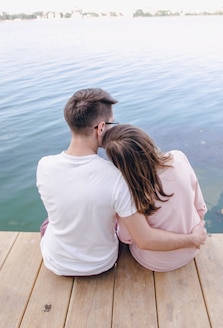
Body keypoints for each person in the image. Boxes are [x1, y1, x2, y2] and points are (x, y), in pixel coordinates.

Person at [36, 88, 207, 276]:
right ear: (101, 128)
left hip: (55, 262)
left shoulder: (44, 166)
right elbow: (142, 238)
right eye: (112, 123)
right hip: (101, 263)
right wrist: (193, 237)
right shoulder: (117, 178)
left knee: (49, 222)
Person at [102, 124, 207, 272]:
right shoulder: (178, 158)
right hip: (192, 248)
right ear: (147, 142)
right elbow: (200, 207)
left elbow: (127, 238)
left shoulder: (129, 189)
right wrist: (195, 234)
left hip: (155, 262)